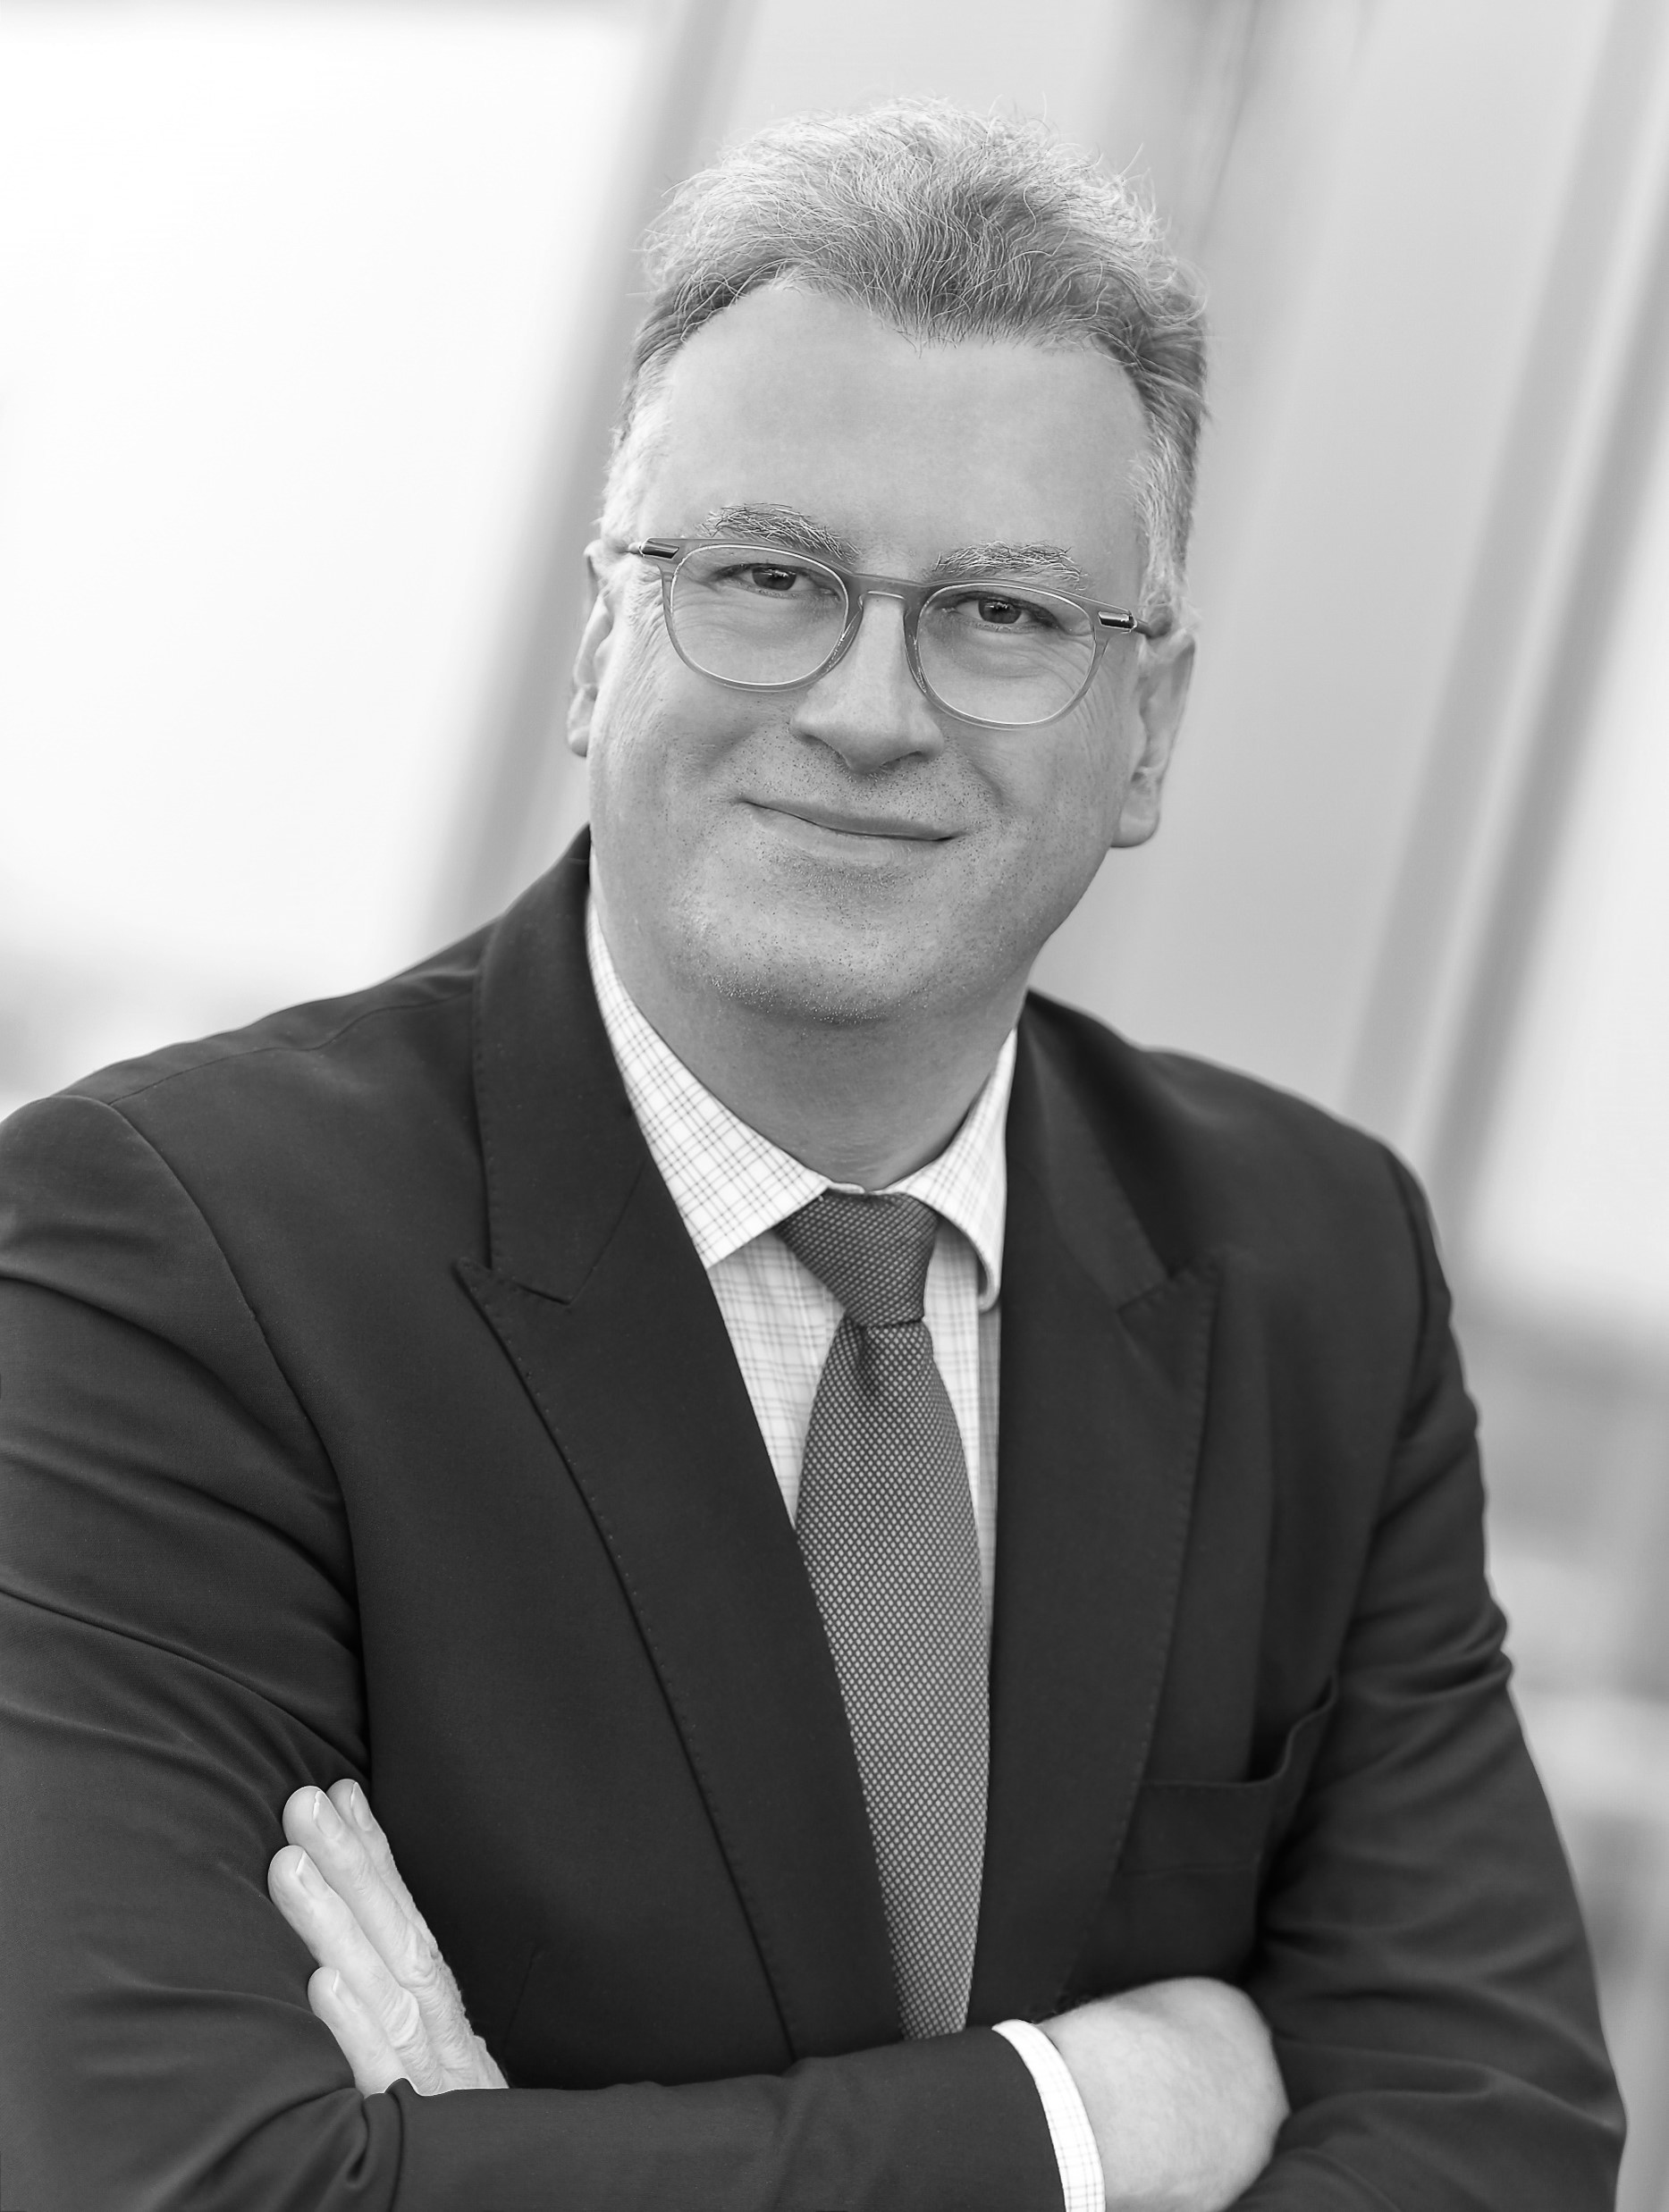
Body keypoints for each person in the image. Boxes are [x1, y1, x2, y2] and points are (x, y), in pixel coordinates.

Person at [0, 100, 1622, 2212]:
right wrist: (1091, 2119)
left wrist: (496, 2161)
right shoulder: (162, 1258)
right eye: (767, 578)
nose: (868, 708)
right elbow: (193, 2183)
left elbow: (1494, 2138)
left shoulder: (1317, 1267)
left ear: (1146, 727)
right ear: (601, 639)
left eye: (1002, 614)